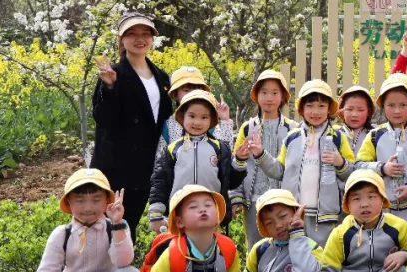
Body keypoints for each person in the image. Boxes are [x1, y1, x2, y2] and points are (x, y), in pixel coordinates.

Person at [249, 79, 356, 247]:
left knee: (322, 257)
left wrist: (340, 162)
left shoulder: (338, 137)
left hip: (325, 216)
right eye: (310, 106)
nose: (315, 111)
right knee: (295, 255)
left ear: (329, 109)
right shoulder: (292, 138)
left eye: (321, 106)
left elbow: (352, 175)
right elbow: (279, 171)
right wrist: (261, 154)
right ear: (302, 109)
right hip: (293, 214)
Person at [91, 12, 172, 229]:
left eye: (146, 33)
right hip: (117, 165)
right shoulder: (113, 73)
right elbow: (103, 119)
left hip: (146, 163)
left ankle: (124, 263)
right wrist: (109, 87)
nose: (140, 38)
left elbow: (167, 118)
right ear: (121, 39)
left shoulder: (161, 76)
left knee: (130, 224)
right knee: (109, 224)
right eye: (132, 33)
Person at [148, 90, 244, 234]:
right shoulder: (172, 149)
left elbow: (231, 181)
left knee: (209, 253)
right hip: (179, 215)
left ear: (211, 120)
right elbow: (159, 181)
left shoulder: (219, 148)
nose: (197, 122)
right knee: (179, 254)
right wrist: (156, 212)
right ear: (182, 117)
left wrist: (240, 160)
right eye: (192, 116)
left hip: (211, 214)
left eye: (204, 117)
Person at [356, 74, 407, 234]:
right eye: (391, 105)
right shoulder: (375, 136)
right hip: (381, 208)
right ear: (383, 106)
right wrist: (382, 168)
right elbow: (359, 165)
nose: (397, 111)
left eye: (403, 105)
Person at [231, 69, 299, 249]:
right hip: (254, 199)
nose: (269, 98)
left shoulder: (293, 129)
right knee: (256, 246)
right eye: (264, 92)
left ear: (283, 97)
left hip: (283, 200)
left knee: (286, 245)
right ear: (256, 96)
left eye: (275, 93)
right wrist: (236, 196)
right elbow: (237, 164)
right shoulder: (247, 128)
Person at [158, 65, 234, 161]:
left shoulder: (209, 124)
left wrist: (225, 120)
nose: (192, 94)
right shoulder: (168, 127)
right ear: (175, 94)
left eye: (197, 90)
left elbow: (226, 153)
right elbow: (160, 162)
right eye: (186, 90)